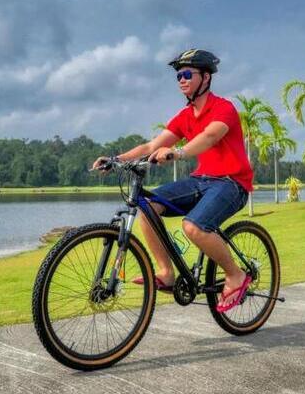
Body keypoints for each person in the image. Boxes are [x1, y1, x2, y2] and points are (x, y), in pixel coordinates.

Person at [92, 49, 253, 313]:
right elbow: (152, 144)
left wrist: (178, 153)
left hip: (231, 183)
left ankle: (236, 275)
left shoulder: (224, 108)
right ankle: (166, 272)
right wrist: (115, 159)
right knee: (147, 206)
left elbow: (210, 137)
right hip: (201, 180)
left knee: (194, 227)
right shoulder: (185, 116)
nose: (182, 79)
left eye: (187, 74)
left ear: (206, 77)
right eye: (178, 75)